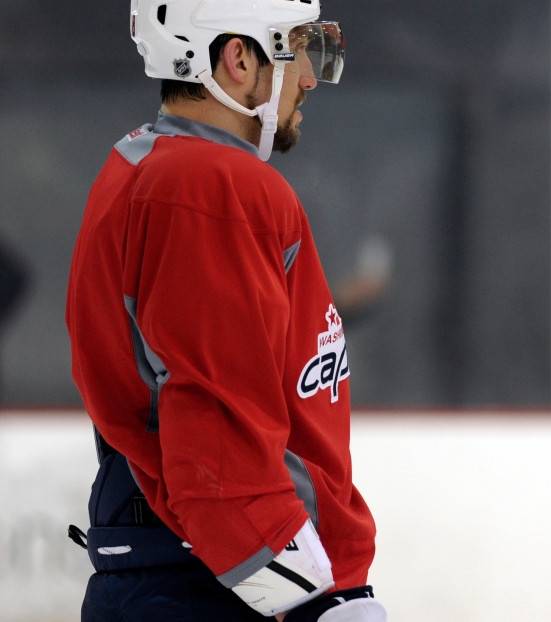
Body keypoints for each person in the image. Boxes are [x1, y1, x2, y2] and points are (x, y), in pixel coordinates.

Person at [65, 1, 385, 620]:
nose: (311, 77)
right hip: (216, 584)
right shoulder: (214, 186)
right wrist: (308, 594)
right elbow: (215, 426)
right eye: (297, 48)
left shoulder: (144, 166)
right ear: (237, 57)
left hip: (183, 567)